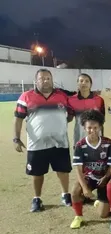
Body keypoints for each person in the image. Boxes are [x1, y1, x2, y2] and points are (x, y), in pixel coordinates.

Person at [13, 68, 73, 211]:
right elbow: (18, 119)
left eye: (48, 78)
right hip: (37, 144)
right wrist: (16, 138)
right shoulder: (26, 96)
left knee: (63, 171)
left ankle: (65, 194)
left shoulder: (62, 96)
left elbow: (70, 115)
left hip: (60, 142)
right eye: (41, 78)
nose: (45, 81)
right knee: (37, 173)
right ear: (36, 80)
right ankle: (37, 198)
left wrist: (59, 124)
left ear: (52, 80)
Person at [70, 110, 111, 229]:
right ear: (84, 127)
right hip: (89, 178)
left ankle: (100, 200)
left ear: (100, 127)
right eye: (89, 128)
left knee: (103, 215)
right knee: (74, 191)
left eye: (95, 127)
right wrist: (84, 188)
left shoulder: (108, 143)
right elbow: (78, 169)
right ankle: (78, 216)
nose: (92, 131)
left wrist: (106, 177)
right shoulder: (80, 145)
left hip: (104, 179)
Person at [67, 73, 105, 146]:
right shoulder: (71, 100)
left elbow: (102, 121)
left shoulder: (99, 100)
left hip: (96, 138)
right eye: (81, 81)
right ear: (77, 84)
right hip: (79, 138)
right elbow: (69, 118)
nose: (84, 83)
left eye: (87, 81)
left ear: (91, 84)